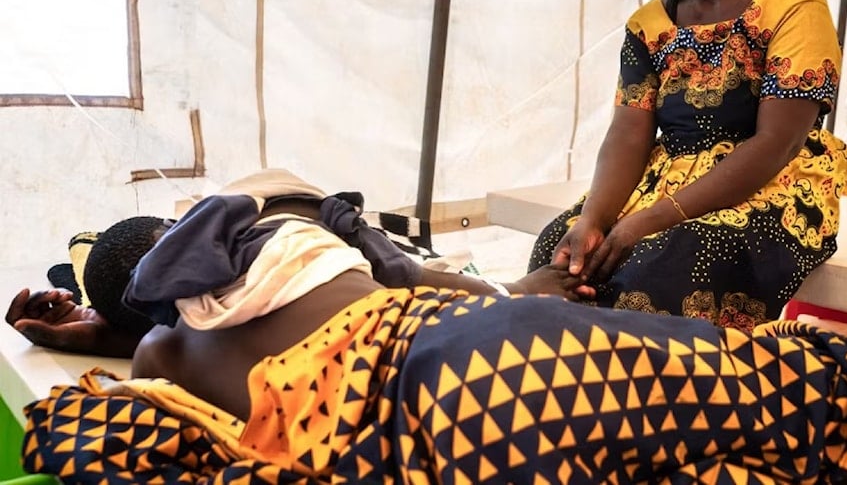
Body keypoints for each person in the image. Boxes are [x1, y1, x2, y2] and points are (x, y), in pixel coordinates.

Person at [12, 201, 847, 484]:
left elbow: (116, 393)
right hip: (489, 337)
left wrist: (94, 327)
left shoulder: (160, 359)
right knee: (803, 394)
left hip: (448, 435)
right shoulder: (289, 235)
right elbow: (465, 288)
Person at [528, 0, 847, 329]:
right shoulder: (649, 25)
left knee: (664, 269)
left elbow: (776, 144)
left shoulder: (793, 3)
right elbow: (628, 136)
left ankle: (672, 400)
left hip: (768, 185)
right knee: (557, 254)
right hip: (664, 183)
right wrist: (593, 218)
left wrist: (648, 221)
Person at [7, 169, 594, 358]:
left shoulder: (169, 347)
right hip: (435, 334)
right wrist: (511, 290)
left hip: (430, 348)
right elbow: (406, 278)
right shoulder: (269, 222)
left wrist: (98, 336)